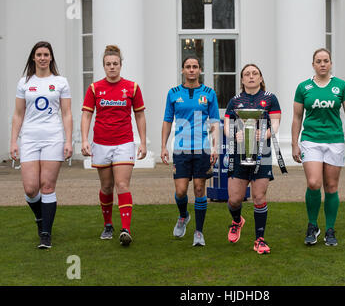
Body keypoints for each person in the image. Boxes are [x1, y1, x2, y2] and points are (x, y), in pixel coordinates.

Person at [291, 48, 345, 247]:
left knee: (331, 186)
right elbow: (296, 117)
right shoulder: (304, 87)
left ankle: (330, 229)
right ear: (313, 64)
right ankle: (312, 226)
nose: (322, 64)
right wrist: (295, 144)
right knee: (313, 183)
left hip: (334, 140)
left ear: (331, 63)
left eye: (326, 61)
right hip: (311, 139)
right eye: (319, 61)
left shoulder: (341, 86)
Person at [81, 45, 147, 246]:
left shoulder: (132, 87)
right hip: (101, 143)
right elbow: (86, 114)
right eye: (108, 64)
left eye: (115, 64)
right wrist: (84, 139)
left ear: (120, 65)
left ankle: (125, 229)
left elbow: (139, 115)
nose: (112, 67)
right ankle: (108, 224)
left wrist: (142, 141)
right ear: (104, 66)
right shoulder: (94, 88)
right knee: (107, 186)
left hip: (124, 142)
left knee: (122, 184)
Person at [10, 41, 73, 249]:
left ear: (51, 58)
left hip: (53, 138)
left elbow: (66, 114)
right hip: (29, 138)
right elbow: (18, 114)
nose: (43, 58)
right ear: (33, 58)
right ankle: (40, 218)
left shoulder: (61, 82)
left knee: (47, 185)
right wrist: (13, 141)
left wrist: (68, 140)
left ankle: (45, 234)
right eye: (39, 54)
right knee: (30, 189)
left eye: (46, 54)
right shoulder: (24, 83)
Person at [161, 56, 220, 247]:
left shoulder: (209, 93)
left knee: (199, 189)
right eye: (188, 67)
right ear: (182, 70)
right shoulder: (173, 93)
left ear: (200, 70)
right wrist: (163, 146)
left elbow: (215, 123)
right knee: (180, 191)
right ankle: (183, 215)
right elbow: (167, 121)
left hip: (202, 148)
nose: (192, 70)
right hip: (181, 148)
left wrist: (215, 146)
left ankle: (199, 232)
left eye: (195, 67)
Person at [224, 63, 281, 255]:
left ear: (261, 78)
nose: (251, 77)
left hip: (261, 154)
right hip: (238, 155)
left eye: (255, 73)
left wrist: (264, 134)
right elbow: (226, 126)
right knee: (234, 199)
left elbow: (276, 123)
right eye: (247, 74)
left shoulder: (270, 99)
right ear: (241, 80)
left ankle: (260, 239)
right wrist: (234, 134)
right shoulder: (234, 101)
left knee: (259, 196)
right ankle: (237, 220)